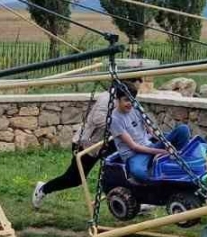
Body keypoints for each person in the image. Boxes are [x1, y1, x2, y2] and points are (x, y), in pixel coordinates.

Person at [30, 78, 144, 208]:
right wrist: (120, 127)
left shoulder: (128, 99)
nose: (139, 86)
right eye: (136, 82)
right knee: (74, 179)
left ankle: (139, 200)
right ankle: (43, 189)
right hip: (88, 144)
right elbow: (98, 119)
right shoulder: (107, 98)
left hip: (109, 142)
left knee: (128, 165)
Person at [108, 80, 191, 182]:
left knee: (183, 130)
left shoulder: (136, 107)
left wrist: (165, 142)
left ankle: (173, 157)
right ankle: (158, 171)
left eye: (131, 99)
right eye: (126, 100)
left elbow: (152, 131)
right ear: (117, 99)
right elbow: (134, 147)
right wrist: (161, 151)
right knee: (138, 172)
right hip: (134, 155)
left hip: (149, 146)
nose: (130, 103)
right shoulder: (115, 119)